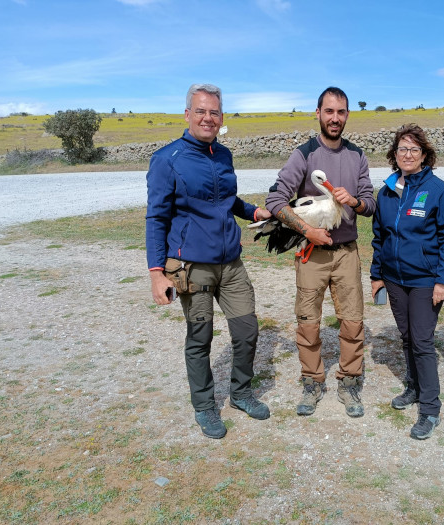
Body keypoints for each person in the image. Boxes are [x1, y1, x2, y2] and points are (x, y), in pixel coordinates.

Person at [146, 83, 272, 440]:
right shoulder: (166, 160)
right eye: (200, 111)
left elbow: (226, 199)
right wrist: (157, 273)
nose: (207, 118)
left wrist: (253, 211)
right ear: (187, 115)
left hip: (231, 263)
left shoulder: (223, 155)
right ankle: (204, 406)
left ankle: (241, 393)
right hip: (192, 266)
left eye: (214, 112)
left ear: (221, 117)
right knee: (199, 337)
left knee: (247, 330)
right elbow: (156, 218)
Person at [265, 86, 376, 418]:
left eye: (341, 112)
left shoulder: (357, 156)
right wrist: (307, 231)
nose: (335, 118)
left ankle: (350, 381)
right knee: (308, 323)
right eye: (329, 111)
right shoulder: (304, 155)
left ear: (347, 116)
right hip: (312, 253)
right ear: (318, 113)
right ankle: (312, 382)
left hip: (346, 253)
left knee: (353, 322)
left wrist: (354, 201)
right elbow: (274, 201)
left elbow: (369, 203)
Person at [370, 124, 444, 440]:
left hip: (426, 280)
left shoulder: (438, 191)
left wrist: (443, 281)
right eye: (402, 149)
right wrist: (376, 275)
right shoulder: (386, 191)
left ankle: (430, 409)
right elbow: (379, 237)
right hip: (394, 279)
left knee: (422, 341)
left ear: (425, 155)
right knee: (407, 336)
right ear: (394, 155)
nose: (408, 155)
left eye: (414, 149)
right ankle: (413, 387)